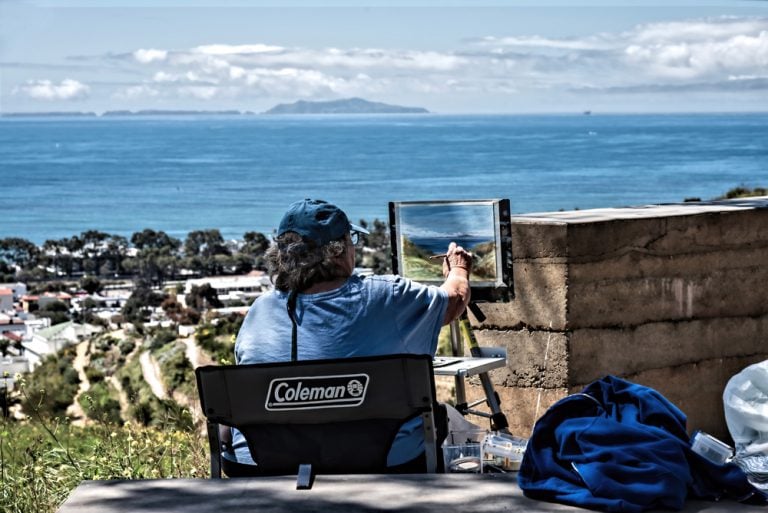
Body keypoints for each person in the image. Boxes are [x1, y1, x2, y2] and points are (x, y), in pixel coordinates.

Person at [231, 198, 473, 470]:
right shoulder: (386, 296)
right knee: (456, 423)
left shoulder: (260, 310)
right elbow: (453, 301)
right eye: (351, 240)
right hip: (381, 461)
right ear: (337, 250)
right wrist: (459, 268)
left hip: (264, 463)